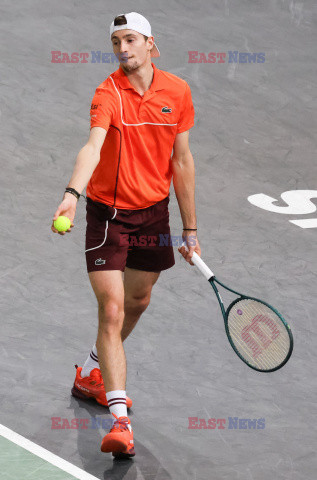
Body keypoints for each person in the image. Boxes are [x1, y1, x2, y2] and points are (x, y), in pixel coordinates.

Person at [51, 11, 201, 459]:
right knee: (112, 310)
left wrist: (190, 228)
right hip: (107, 217)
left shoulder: (177, 91)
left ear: (151, 43)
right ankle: (119, 421)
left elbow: (182, 162)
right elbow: (93, 145)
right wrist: (72, 195)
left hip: (153, 217)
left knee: (138, 302)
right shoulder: (107, 93)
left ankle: (91, 373)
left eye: (130, 40)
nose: (122, 49)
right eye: (116, 42)